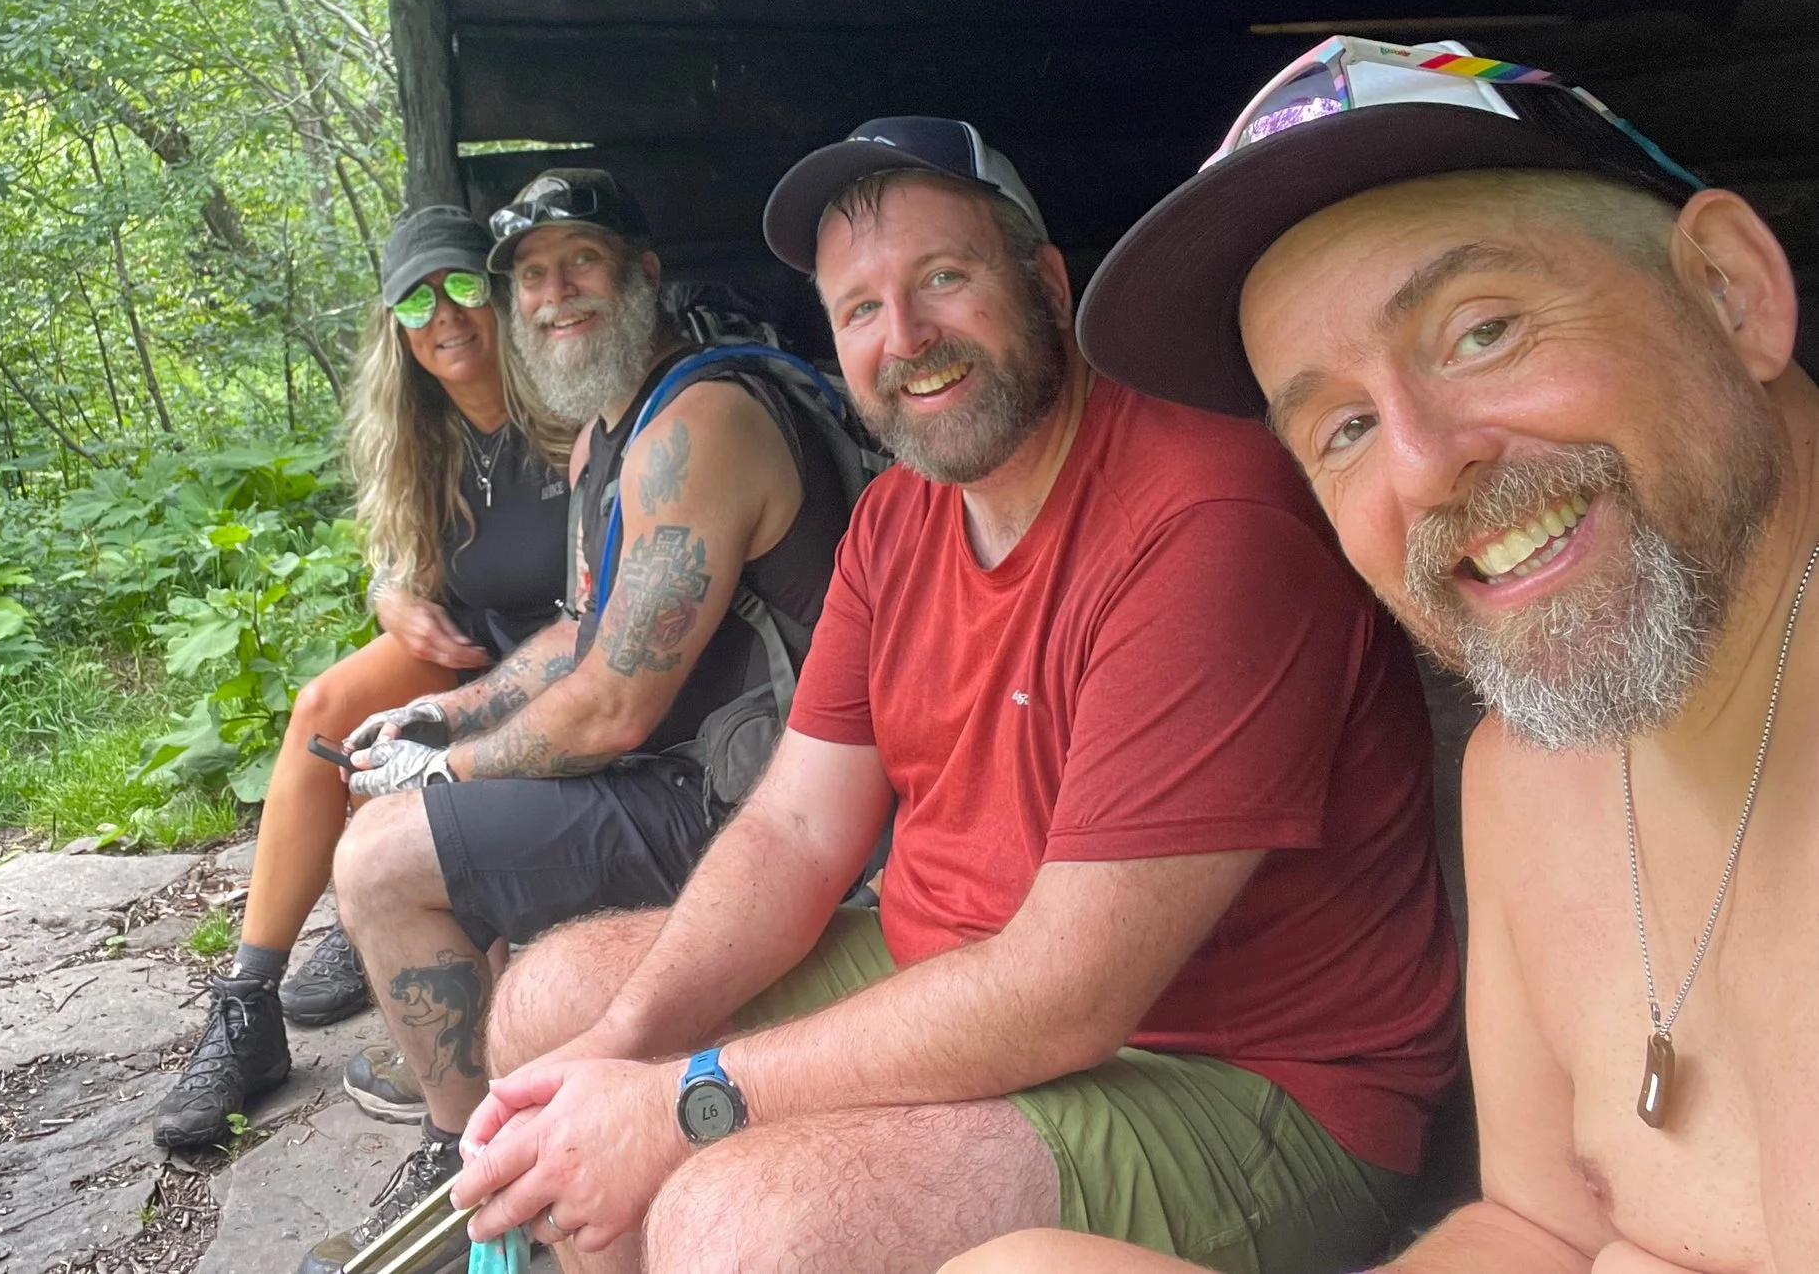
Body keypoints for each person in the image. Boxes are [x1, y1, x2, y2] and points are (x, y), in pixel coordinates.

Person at [450, 119, 1462, 1274]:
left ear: (1043, 281)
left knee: (739, 1223)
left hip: (1245, 1083)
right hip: (952, 961)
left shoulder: (1206, 520)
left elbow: (1067, 990)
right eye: (861, 309)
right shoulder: (897, 518)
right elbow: (792, 828)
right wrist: (625, 1053)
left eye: (943, 278)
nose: (908, 337)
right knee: (554, 1011)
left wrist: (684, 1099)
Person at [1012, 36, 1819, 1274]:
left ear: (1730, 291)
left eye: (1481, 331)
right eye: (1339, 427)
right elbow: (1541, 1227)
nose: (1422, 464)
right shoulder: (1527, 775)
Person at [301, 168, 856, 1273]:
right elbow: (578, 631)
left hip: (769, 800)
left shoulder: (697, 424)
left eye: (582, 263)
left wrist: (447, 774)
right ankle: (493, 1161)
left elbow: (611, 705)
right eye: (531, 277)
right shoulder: (613, 427)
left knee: (377, 864)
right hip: (696, 773)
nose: (555, 293)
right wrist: (440, 712)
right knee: (403, 829)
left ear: (643, 275)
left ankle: (464, 1170)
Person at [151, 205, 571, 1151]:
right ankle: (247, 1009)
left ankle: (383, 919)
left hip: (562, 662)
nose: (446, 315)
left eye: (464, 285)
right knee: (322, 712)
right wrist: (391, 593)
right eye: (416, 300)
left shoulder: (566, 407)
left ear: (500, 295)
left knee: (425, 768)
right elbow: (399, 555)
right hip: (472, 644)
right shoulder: (420, 429)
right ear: (395, 327)